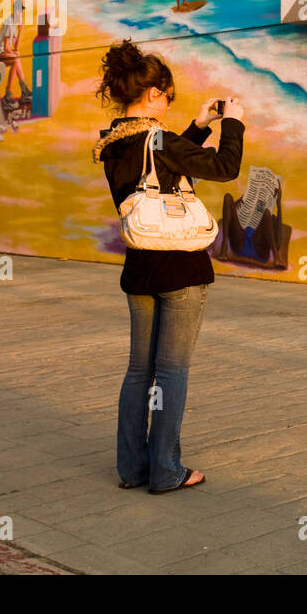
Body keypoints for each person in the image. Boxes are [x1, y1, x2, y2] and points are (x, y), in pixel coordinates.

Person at [92, 40, 245, 494]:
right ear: (155, 93)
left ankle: (134, 469)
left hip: (140, 267)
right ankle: (166, 470)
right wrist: (233, 123)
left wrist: (198, 126)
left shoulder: (116, 142)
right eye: (168, 97)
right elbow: (224, 167)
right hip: (179, 270)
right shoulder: (159, 140)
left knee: (140, 371)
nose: (168, 105)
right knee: (172, 371)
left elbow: (158, 170)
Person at [0, 0, 31, 102]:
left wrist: (20, 31)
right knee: (16, 58)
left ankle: (22, 90)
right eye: (20, 11)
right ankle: (11, 93)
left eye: (22, 12)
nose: (21, 14)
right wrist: (14, 54)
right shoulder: (9, 23)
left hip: (5, 53)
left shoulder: (14, 25)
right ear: (15, 11)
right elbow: (5, 46)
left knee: (16, 58)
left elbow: (16, 48)